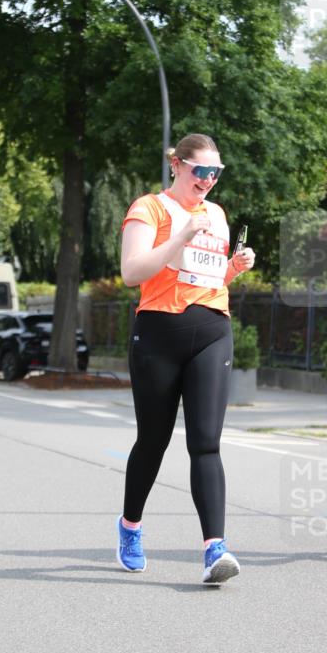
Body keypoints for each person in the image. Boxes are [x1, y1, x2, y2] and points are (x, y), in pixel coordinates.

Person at [117, 133, 255, 584]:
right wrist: (180, 235)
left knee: (206, 442)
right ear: (176, 165)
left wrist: (234, 267)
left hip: (212, 332)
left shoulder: (216, 214)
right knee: (153, 441)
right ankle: (130, 527)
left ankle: (215, 549)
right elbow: (132, 272)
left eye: (217, 173)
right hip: (159, 334)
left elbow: (207, 277)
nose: (210, 181)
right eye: (202, 171)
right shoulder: (149, 209)